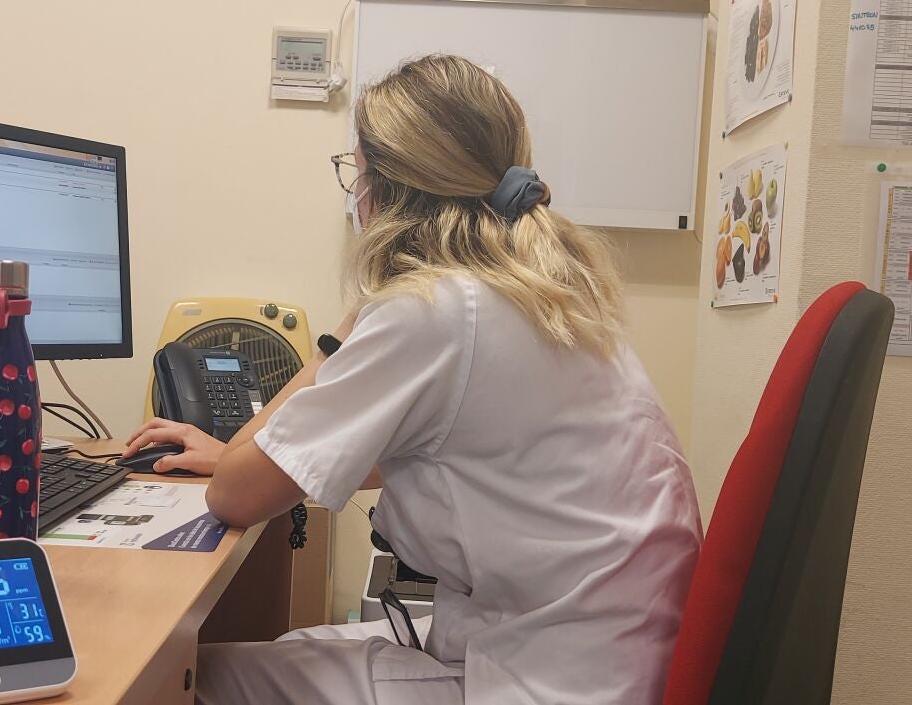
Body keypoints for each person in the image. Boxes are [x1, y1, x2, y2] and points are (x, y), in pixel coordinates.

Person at [122, 54, 702, 705]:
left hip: (552, 678)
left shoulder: (432, 310)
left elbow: (233, 496)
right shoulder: (545, 296)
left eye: (356, 175)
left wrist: (337, 340)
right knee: (294, 649)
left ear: (385, 190)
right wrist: (243, 454)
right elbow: (452, 455)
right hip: (612, 656)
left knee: (183, 682)